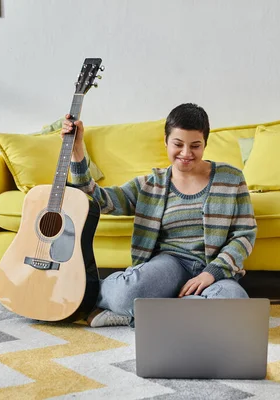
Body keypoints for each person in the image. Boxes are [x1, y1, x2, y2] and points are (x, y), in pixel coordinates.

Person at [61, 103, 258, 328]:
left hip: (214, 271)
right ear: (165, 141)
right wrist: (77, 150)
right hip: (169, 265)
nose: (186, 153)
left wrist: (211, 273)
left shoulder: (231, 177)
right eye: (178, 144)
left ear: (205, 144)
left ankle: (146, 311)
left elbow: (244, 234)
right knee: (125, 294)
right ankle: (169, 309)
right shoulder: (150, 184)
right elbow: (100, 199)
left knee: (235, 303)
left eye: (195, 145)